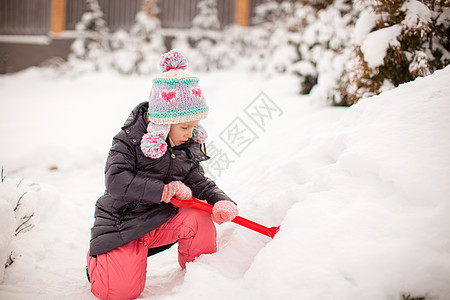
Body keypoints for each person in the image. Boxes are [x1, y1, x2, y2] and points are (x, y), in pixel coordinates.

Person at [86, 49, 238, 300]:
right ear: (164, 123)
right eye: (185, 126)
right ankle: (100, 262)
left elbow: (198, 182)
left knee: (200, 217)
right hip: (124, 222)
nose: (191, 133)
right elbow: (116, 182)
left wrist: (221, 201)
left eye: (195, 125)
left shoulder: (184, 144)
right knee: (118, 292)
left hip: (159, 219)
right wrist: (164, 190)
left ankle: (200, 280)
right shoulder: (128, 141)